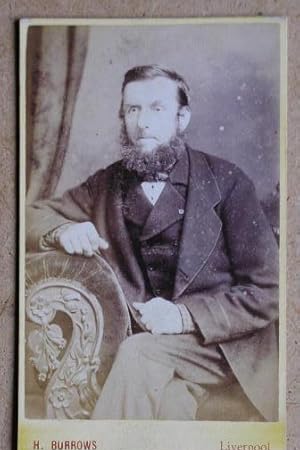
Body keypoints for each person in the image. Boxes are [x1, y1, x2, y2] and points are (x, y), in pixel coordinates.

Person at [27, 65, 279, 421]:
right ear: (123, 117)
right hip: (157, 344)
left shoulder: (228, 182)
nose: (143, 123)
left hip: (224, 345)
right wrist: (61, 230)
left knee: (139, 355)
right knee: (170, 404)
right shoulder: (107, 184)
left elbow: (271, 290)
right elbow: (32, 214)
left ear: (182, 118)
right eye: (133, 110)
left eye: (157, 109)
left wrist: (184, 316)